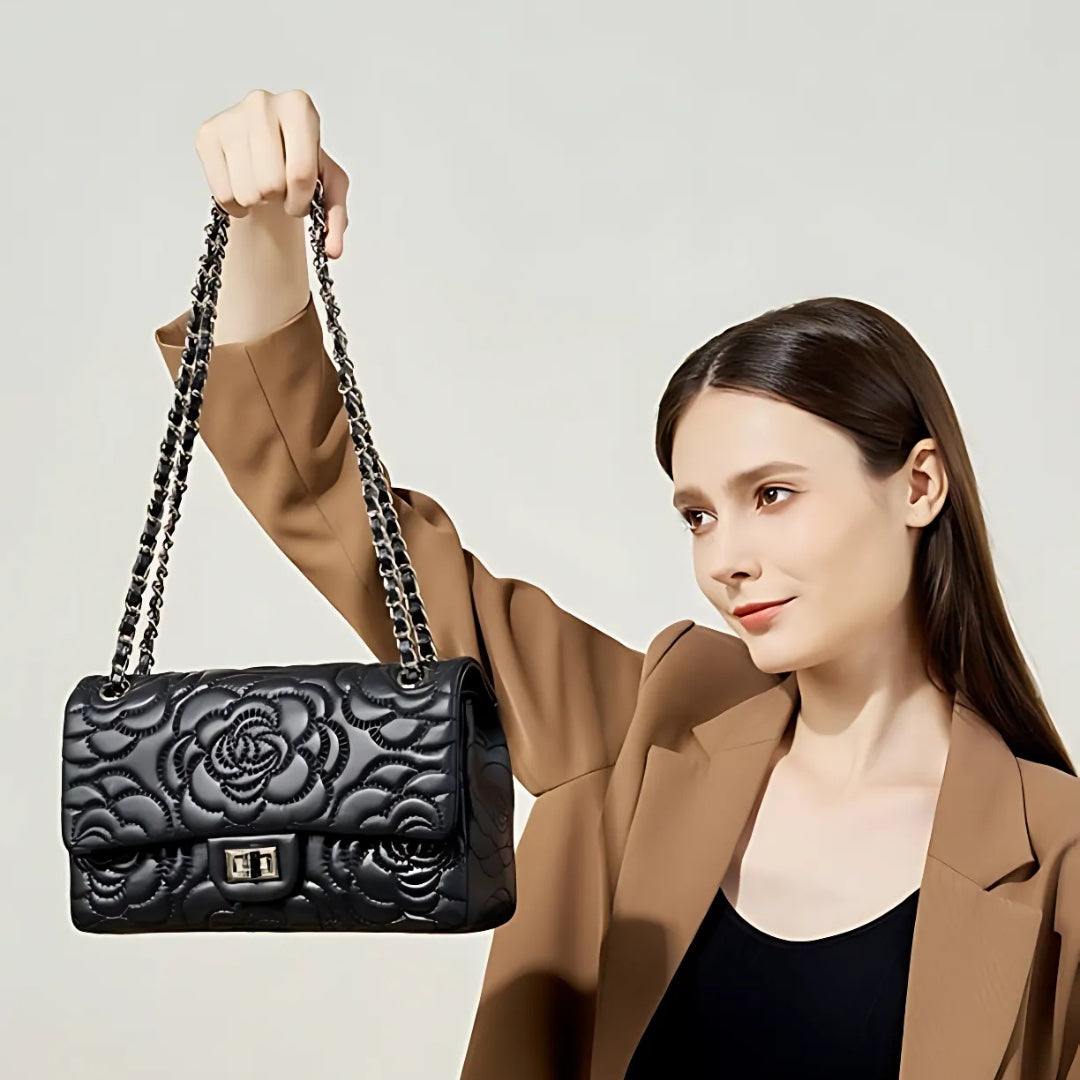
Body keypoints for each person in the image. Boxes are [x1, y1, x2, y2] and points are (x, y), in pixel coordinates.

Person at [153, 87, 1080, 1079]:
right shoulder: (655, 725)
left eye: (773, 493)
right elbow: (353, 528)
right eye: (698, 514)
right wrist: (262, 232)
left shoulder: (1055, 861)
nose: (724, 557)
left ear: (919, 485)